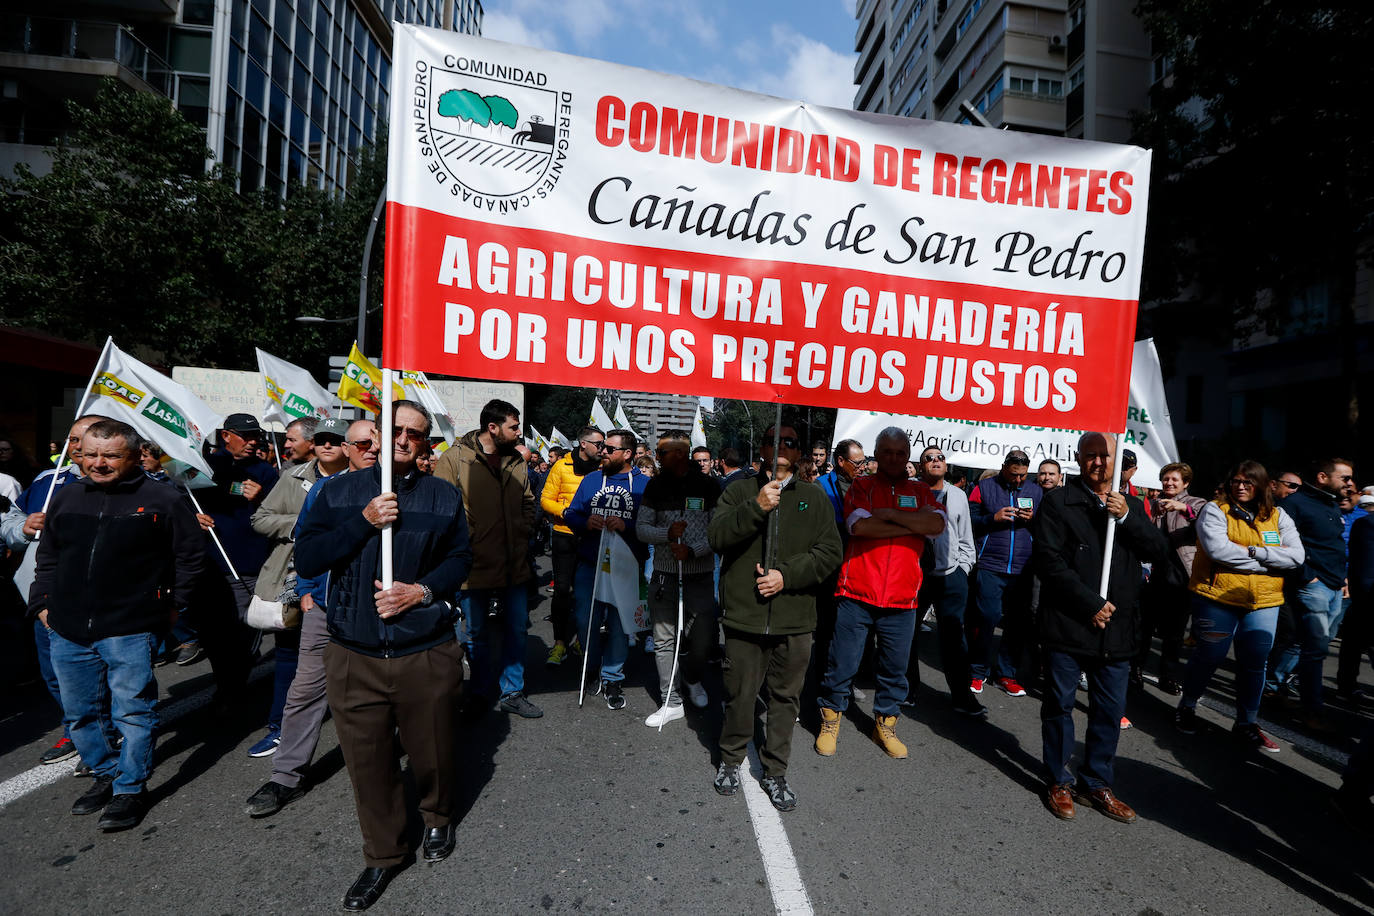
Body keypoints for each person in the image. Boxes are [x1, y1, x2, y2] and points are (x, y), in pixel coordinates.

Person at [294, 401, 472, 911]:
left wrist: (421, 591)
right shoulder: (338, 492)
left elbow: (460, 558)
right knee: (367, 762)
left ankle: (436, 817)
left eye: (414, 434)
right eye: (392, 431)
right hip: (355, 651)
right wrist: (365, 523)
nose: (401, 440)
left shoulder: (442, 496)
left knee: (432, 749)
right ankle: (383, 853)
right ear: (372, 436)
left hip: (425, 649)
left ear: (424, 444)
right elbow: (307, 557)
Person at [29, 419, 205, 831]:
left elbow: (190, 557)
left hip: (130, 628)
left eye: (110, 455)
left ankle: (130, 788)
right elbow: (48, 557)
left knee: (133, 712)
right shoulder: (66, 496)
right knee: (79, 714)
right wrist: (42, 605)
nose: (98, 463)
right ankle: (106, 774)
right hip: (68, 628)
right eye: (90, 454)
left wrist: (174, 606)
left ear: (133, 455)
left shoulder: (163, 498)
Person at [244, 419, 378, 819]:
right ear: (347, 448)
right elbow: (305, 544)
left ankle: (385, 765)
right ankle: (286, 776)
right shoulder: (324, 490)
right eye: (362, 443)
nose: (371, 449)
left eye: (378, 442)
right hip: (325, 607)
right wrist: (305, 591)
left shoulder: (399, 490)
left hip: (377, 608)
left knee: (381, 692)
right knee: (305, 691)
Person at [1033, 432, 1166, 824]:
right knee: (1059, 705)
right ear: (1078, 458)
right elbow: (1048, 561)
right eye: (1090, 455)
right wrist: (1089, 604)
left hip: (1117, 631)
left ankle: (1096, 783)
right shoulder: (1059, 502)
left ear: (1116, 462)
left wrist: (1126, 517)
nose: (1097, 463)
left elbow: (1157, 551)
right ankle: (1058, 779)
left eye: (1104, 456)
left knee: (1109, 710)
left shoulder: (1130, 506)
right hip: (1069, 624)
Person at [709, 425, 842, 811]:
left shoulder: (814, 499)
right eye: (774, 441)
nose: (781, 447)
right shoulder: (738, 490)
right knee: (740, 695)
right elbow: (717, 537)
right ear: (763, 447)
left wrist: (786, 576)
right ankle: (731, 760)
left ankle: (775, 770)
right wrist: (757, 508)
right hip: (744, 618)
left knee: (786, 699)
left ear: (799, 452)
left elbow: (829, 554)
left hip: (795, 621)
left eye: (790, 442)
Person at [815, 428, 944, 759]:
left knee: (894, 669)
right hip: (856, 593)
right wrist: (910, 523)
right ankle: (831, 720)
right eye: (886, 451)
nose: (894, 458)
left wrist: (889, 515)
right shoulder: (861, 486)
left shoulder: (922, 491)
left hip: (903, 599)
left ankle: (885, 726)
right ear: (876, 453)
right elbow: (860, 527)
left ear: (908, 455)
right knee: (841, 663)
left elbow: (936, 526)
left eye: (901, 452)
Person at [1174, 460, 1302, 752]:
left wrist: (1254, 551)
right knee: (1210, 655)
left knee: (1256, 663)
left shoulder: (1277, 515)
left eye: (1248, 482)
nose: (1241, 487)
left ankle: (1246, 723)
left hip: (1265, 600)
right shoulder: (1215, 511)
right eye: (1236, 481)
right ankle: (1187, 706)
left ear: (1262, 485)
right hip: (1217, 596)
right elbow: (1219, 552)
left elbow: (1296, 557)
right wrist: (1270, 559)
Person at [243, 417, 349, 758]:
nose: (327, 445)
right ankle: (280, 728)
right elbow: (260, 518)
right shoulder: (293, 477)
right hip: (293, 577)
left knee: (343, 652)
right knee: (289, 654)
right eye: (321, 440)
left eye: (335, 439)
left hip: (341, 582)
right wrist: (303, 525)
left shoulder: (363, 480)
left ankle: (352, 720)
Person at [434, 398, 540, 719]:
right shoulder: (454, 459)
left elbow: (528, 502)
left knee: (517, 628)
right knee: (476, 634)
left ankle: (512, 691)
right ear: (492, 428)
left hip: (514, 562)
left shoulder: (516, 462)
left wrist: (523, 531)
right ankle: (479, 693)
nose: (519, 432)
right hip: (473, 564)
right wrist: (465, 541)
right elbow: (439, 509)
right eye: (513, 426)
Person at [14, 414, 101, 765]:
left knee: (99, 672)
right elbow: (12, 522)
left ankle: (105, 735)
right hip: (48, 596)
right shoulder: (48, 481)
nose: (79, 447)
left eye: (88, 438)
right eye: (74, 440)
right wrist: (24, 525)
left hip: (97, 598)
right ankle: (76, 730)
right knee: (54, 671)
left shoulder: (123, 483)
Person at [635, 430, 720, 727]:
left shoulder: (710, 486)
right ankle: (671, 700)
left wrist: (694, 550)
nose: (659, 456)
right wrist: (666, 535)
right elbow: (642, 528)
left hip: (699, 575)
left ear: (681, 454)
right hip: (664, 574)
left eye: (665, 451)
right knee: (663, 638)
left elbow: (718, 532)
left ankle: (693, 678)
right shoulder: (655, 486)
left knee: (703, 637)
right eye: (658, 451)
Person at [563, 429, 649, 710]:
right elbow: (572, 513)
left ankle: (613, 676)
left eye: (610, 449)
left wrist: (629, 526)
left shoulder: (644, 486)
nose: (603, 453)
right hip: (591, 563)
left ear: (627, 454)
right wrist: (586, 523)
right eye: (603, 448)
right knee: (586, 619)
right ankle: (590, 667)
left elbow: (653, 527)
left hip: (627, 567)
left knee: (619, 624)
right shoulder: (590, 480)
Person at [1273, 457, 1355, 731]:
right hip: (1313, 586)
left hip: (1334, 587)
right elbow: (1279, 541)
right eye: (1345, 478)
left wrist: (1342, 578)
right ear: (1322, 477)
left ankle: (1272, 686)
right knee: (1316, 650)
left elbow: (1331, 545)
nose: (1350, 484)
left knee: (1306, 644)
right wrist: (1308, 577)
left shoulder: (1331, 504)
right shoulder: (1294, 504)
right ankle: (1312, 710)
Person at [967, 450, 1042, 698]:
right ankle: (977, 671)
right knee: (986, 618)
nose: (1019, 480)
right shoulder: (984, 487)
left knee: (1017, 623)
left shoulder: (1035, 491)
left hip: (1023, 567)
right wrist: (993, 518)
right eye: (1014, 475)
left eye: (1023, 475)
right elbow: (970, 519)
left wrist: (1032, 520)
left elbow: (1045, 526)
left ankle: (1006, 675)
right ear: (1004, 467)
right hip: (990, 564)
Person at [914, 446, 982, 716]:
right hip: (917, 576)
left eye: (940, 458)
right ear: (921, 466)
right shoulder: (911, 492)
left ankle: (962, 695)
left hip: (951, 575)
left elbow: (966, 536)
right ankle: (908, 688)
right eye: (929, 458)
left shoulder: (958, 495)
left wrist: (963, 569)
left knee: (954, 638)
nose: (935, 461)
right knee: (908, 634)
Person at [1132, 462, 1206, 694]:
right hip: (1156, 573)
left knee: (1174, 632)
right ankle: (1135, 670)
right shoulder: (1154, 504)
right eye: (1165, 479)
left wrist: (1182, 508)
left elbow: (1204, 524)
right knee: (1144, 625)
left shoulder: (1197, 504)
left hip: (1182, 575)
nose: (1169, 483)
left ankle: (1168, 676)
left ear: (1186, 483)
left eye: (1174, 480)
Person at [540, 426, 604, 667]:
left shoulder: (602, 468)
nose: (602, 448)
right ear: (583, 444)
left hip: (592, 536)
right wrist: (565, 512)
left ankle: (580, 639)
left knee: (586, 591)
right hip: (564, 534)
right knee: (562, 590)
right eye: (598, 444)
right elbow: (545, 499)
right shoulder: (561, 466)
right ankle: (559, 643)